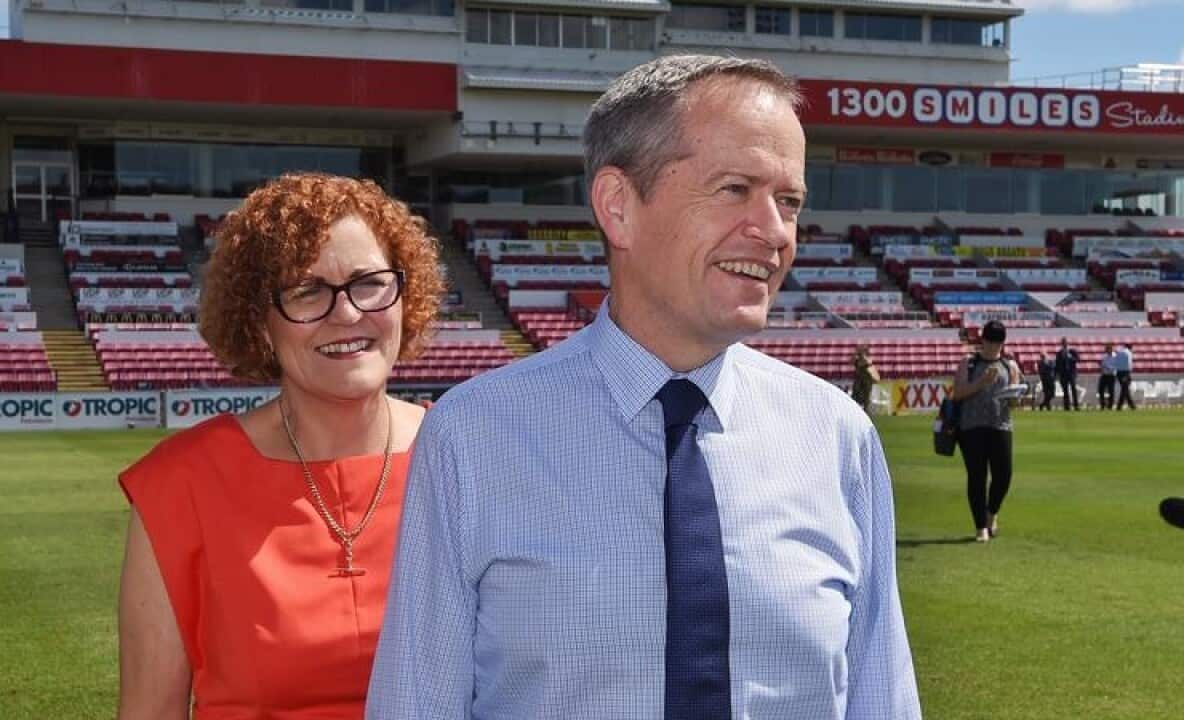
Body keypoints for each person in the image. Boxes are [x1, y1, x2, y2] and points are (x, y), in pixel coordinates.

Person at [368, 55, 920, 719]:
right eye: (735, 188)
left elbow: (882, 700)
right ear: (618, 207)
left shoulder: (837, 437)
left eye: (790, 201)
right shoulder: (474, 437)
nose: (775, 232)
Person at [115, 173, 445, 718]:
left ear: (406, 296)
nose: (347, 313)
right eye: (307, 291)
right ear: (260, 323)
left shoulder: (464, 460)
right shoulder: (181, 485)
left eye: (369, 282)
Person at [952, 320, 1022, 543]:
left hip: (1001, 424)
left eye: (998, 343)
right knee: (977, 476)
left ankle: (992, 513)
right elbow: (958, 393)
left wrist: (1015, 397)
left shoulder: (1010, 366)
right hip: (971, 426)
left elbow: (1014, 404)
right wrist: (982, 382)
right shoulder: (969, 363)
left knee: (1004, 475)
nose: (994, 347)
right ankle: (981, 526)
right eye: (990, 342)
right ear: (982, 341)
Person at [850, 343, 881, 412]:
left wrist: (861, 355)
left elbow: (866, 363)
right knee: (855, 395)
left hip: (867, 381)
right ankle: (854, 410)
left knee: (866, 398)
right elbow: (851, 361)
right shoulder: (857, 358)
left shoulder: (868, 358)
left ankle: (865, 411)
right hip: (858, 380)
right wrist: (856, 354)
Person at [1055, 337, 1081, 411]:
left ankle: (1076, 405)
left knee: (1073, 389)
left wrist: (1071, 358)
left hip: (1071, 373)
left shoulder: (1072, 351)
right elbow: (1057, 364)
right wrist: (1057, 374)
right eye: (1063, 342)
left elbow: (1078, 360)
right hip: (1063, 374)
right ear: (1062, 344)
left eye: (1065, 342)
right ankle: (1067, 406)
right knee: (1065, 391)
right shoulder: (1059, 353)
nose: (1064, 344)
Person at [1115, 342, 1136, 410]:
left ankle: (1131, 405)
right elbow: (1129, 364)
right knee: (1124, 389)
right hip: (1125, 372)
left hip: (1119, 372)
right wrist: (1128, 374)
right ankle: (1120, 406)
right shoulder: (1128, 353)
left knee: (1125, 389)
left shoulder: (1119, 351)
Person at [1098, 344, 1117, 410]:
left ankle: (1110, 406)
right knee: (1100, 390)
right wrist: (1102, 366)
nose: (1106, 350)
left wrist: (1108, 367)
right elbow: (1102, 364)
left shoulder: (1115, 356)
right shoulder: (1104, 356)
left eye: (1108, 348)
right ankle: (1102, 405)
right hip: (1104, 375)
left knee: (1111, 391)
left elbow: (1115, 367)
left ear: (1111, 349)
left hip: (1111, 376)